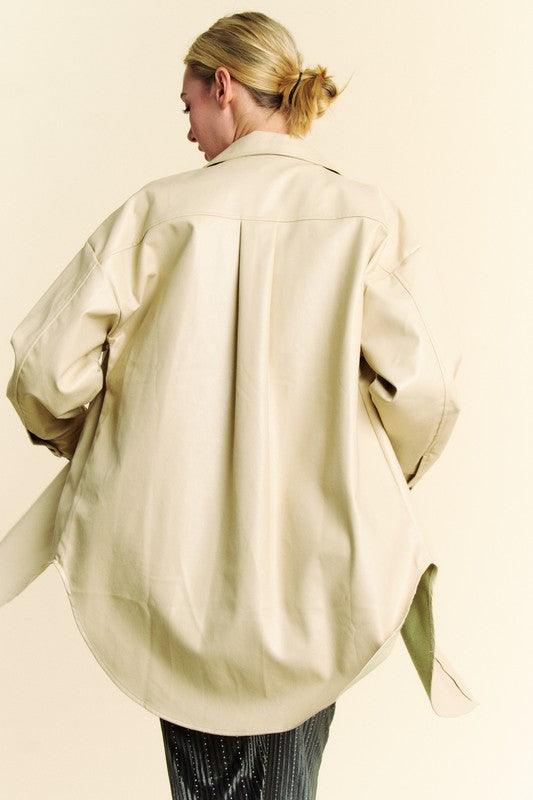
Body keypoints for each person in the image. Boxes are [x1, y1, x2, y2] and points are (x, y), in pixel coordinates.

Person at [2, 10, 478, 800]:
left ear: (222, 85)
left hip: (174, 574)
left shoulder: (157, 214)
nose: (187, 128)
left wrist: (105, 442)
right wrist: (367, 465)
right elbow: (426, 392)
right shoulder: (364, 219)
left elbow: (44, 374)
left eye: (187, 102)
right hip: (319, 569)